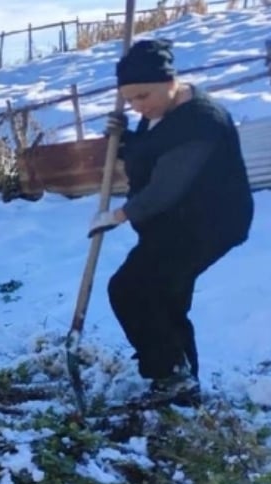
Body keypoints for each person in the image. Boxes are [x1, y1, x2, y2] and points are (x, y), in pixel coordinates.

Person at [88, 38, 253, 405]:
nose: (138, 106)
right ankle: (181, 381)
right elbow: (152, 154)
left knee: (131, 289)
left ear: (170, 81)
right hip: (175, 221)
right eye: (129, 99)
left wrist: (115, 216)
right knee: (165, 296)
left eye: (143, 96)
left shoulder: (200, 121)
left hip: (207, 224)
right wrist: (125, 137)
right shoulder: (158, 114)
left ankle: (169, 373)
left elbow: (166, 187)